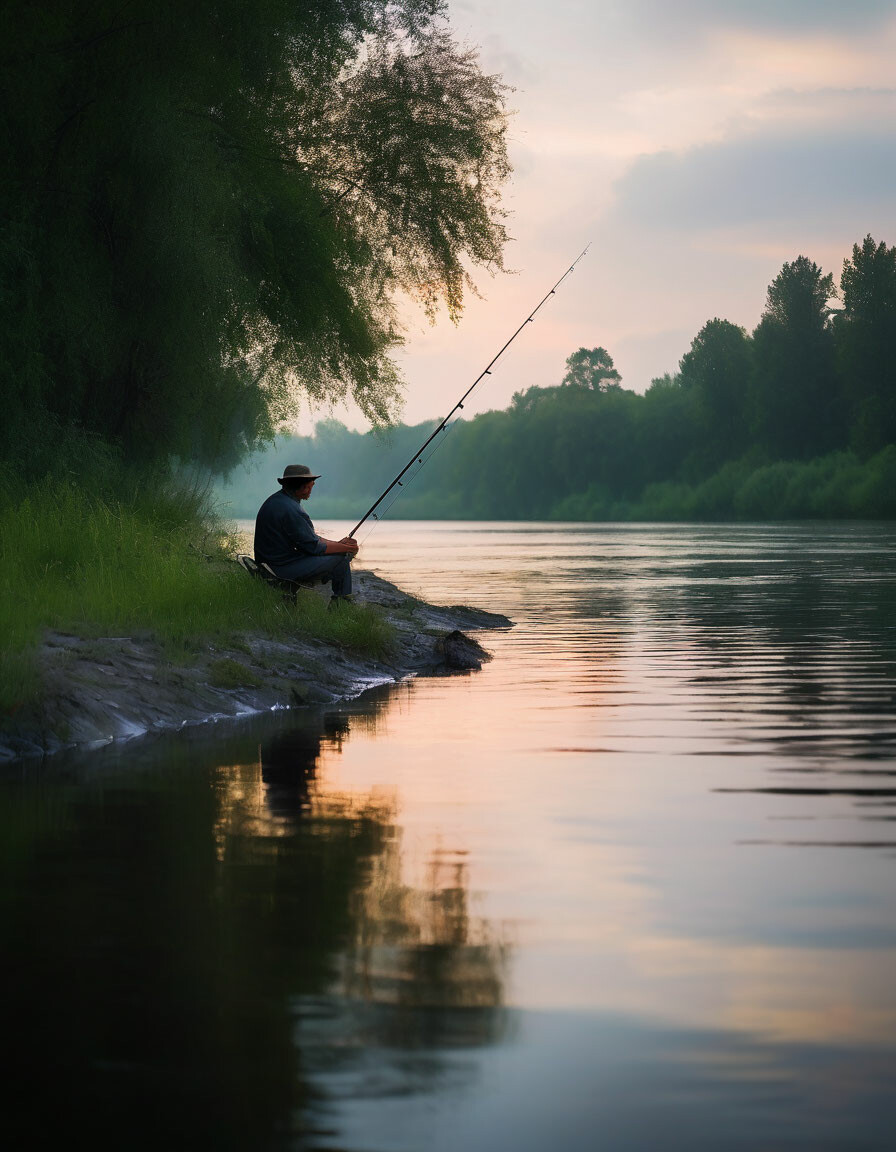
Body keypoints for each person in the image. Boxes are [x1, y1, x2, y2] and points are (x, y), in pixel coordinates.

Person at [254, 464, 359, 604]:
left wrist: (338, 544)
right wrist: (347, 549)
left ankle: (341, 602)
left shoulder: (279, 501)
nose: (311, 489)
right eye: (310, 486)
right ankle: (341, 606)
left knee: (338, 552)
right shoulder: (291, 509)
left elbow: (310, 539)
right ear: (302, 486)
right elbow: (314, 547)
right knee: (341, 558)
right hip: (279, 569)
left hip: (272, 564)